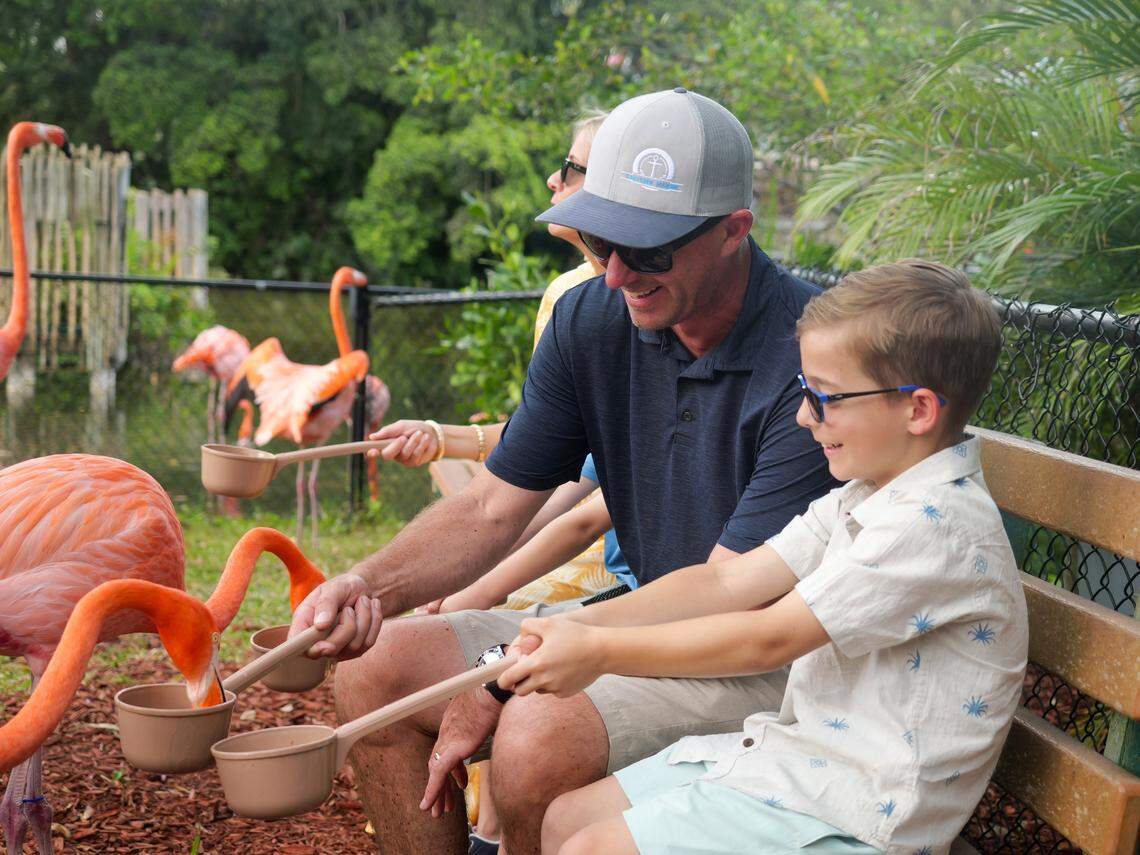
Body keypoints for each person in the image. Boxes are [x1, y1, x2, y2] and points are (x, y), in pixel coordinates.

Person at [290, 88, 836, 854]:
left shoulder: (813, 360)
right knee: (376, 667)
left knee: (534, 733)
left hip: (765, 658)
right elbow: (491, 510)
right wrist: (366, 587)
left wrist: (496, 672)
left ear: (734, 232)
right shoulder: (592, 320)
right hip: (643, 618)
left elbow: (725, 598)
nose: (615, 275)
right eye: (601, 241)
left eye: (648, 250)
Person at [497, 261, 1028, 855]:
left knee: (589, 850)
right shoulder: (867, 494)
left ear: (918, 410)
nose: (805, 417)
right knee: (567, 819)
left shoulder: (933, 526)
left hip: (863, 812)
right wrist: (572, 625)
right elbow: (728, 580)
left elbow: (768, 639)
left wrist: (599, 651)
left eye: (824, 399)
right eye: (805, 394)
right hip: (799, 764)